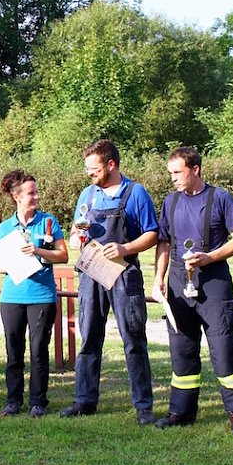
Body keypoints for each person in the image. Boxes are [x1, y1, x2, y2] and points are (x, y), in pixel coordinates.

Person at [152, 147, 233, 434]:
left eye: (178, 172)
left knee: (223, 348)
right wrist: (158, 277)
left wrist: (209, 257)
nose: (173, 179)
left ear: (195, 169)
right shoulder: (170, 202)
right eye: (170, 173)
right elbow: (164, 243)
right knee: (181, 348)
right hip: (178, 283)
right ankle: (181, 412)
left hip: (214, 280)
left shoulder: (220, 198)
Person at [61, 139, 158, 423]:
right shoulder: (87, 195)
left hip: (125, 274)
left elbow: (152, 234)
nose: (89, 174)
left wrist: (124, 248)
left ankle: (143, 406)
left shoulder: (136, 193)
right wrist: (76, 238)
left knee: (133, 340)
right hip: (92, 273)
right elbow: (75, 230)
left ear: (111, 165)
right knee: (89, 337)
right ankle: (84, 400)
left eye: (94, 169)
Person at [0, 170, 68, 417]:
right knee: (13, 352)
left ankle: (38, 401)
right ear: (16, 197)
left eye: (36, 192)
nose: (36, 196)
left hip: (41, 296)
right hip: (12, 297)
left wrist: (37, 251)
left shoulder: (49, 222)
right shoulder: (5, 227)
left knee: (38, 351)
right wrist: (16, 263)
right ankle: (13, 400)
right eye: (31, 193)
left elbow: (63, 255)